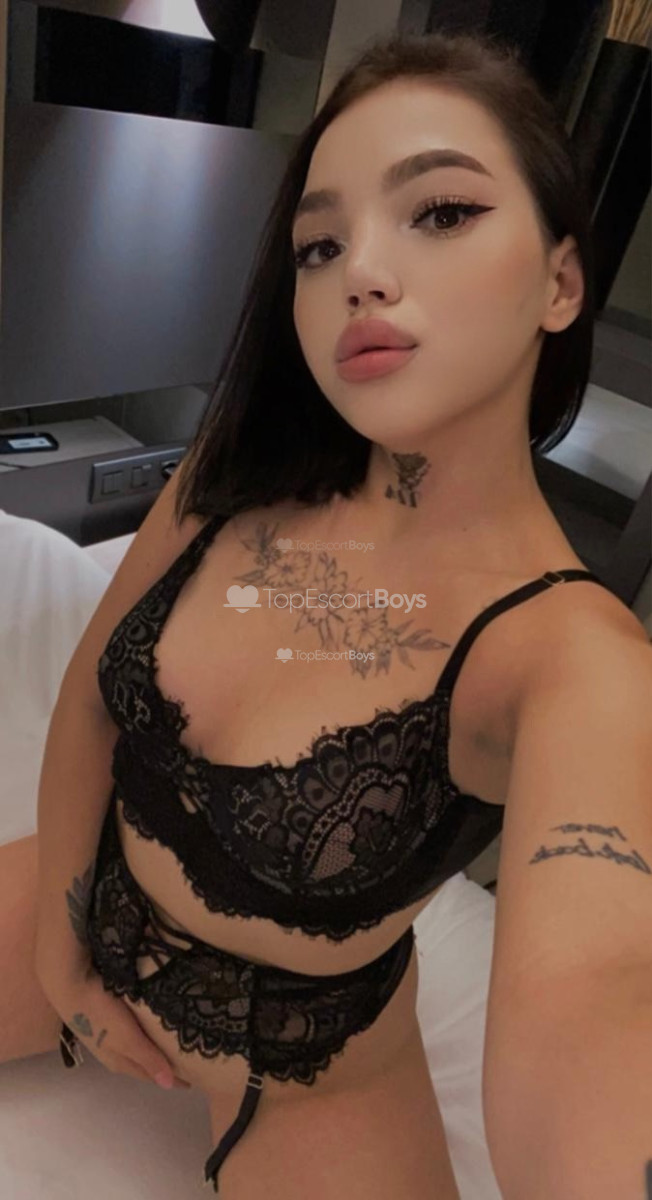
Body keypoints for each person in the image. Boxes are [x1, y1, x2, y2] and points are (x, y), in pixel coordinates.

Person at [5, 27, 649, 1200]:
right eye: (319, 243)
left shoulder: (571, 659)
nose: (361, 271)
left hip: (300, 1075)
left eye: (440, 211)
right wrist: (62, 957)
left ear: (561, 282)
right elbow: (93, 706)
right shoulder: (235, 469)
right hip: (84, 904)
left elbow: (596, 996)